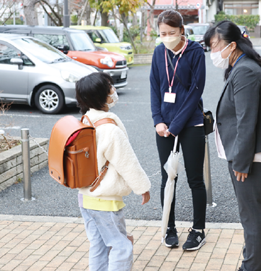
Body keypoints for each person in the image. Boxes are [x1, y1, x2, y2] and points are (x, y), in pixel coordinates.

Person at [204, 21, 261, 271]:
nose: (212, 52)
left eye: (214, 45)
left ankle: (252, 267)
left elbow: (246, 121)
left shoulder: (245, 71)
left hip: (253, 158)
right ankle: (250, 262)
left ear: (232, 45)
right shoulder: (240, 66)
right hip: (251, 155)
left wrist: (241, 162)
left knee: (251, 216)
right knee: (250, 215)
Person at [75, 72, 151, 271]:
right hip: (105, 200)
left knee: (98, 245)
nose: (113, 91)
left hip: (85, 198)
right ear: (102, 96)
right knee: (121, 246)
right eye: (110, 87)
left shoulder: (84, 120)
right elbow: (127, 163)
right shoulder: (109, 129)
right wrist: (143, 188)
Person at [150, 10, 207, 251]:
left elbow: (195, 92)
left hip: (191, 123)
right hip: (164, 126)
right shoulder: (158, 52)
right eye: (163, 33)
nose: (167, 37)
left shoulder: (195, 52)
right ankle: (169, 226)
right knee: (167, 177)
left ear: (182, 30)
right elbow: (154, 87)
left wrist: (175, 126)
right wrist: (157, 120)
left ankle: (198, 230)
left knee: (195, 179)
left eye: (172, 33)